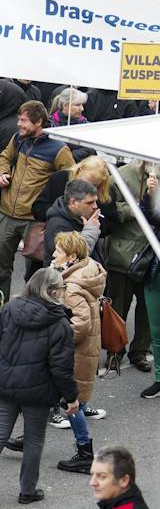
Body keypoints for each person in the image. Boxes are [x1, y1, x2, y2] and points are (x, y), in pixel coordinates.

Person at [0, 268, 78, 508]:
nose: (64, 292)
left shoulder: (11, 308)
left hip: (3, 382)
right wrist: (71, 398)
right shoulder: (60, 324)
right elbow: (61, 368)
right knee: (34, 439)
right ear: (53, 291)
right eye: (62, 288)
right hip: (37, 391)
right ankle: (28, 490)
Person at [0, 100, 75, 294]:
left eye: (23, 120)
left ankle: (29, 308)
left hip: (34, 220)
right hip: (7, 213)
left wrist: (50, 206)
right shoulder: (18, 139)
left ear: (38, 121)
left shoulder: (58, 149)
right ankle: (0, 309)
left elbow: (71, 178)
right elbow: (5, 157)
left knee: (34, 272)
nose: (19, 124)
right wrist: (2, 173)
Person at [52, 232, 106, 475]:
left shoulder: (71, 287)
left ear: (72, 256)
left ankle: (85, 452)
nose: (53, 255)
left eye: (58, 251)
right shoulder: (89, 268)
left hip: (75, 354)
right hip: (85, 352)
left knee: (71, 403)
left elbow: (81, 325)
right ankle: (28, 437)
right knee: (67, 399)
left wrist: (59, 341)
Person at [104, 159, 157, 374]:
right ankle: (114, 352)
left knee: (147, 310)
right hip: (123, 252)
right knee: (118, 308)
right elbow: (107, 206)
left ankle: (140, 351)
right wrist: (132, 210)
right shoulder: (123, 175)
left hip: (152, 254)